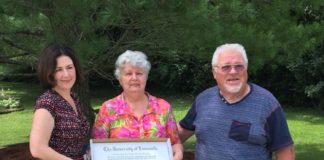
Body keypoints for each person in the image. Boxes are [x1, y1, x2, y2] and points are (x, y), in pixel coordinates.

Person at [177, 43, 295, 160]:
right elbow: (181, 132)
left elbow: (285, 151)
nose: (233, 71)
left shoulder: (267, 103)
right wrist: (161, 132)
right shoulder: (203, 100)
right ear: (214, 72)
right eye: (226, 67)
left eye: (239, 66)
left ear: (246, 69)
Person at [92, 50, 183, 160]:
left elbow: (175, 143)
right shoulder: (108, 108)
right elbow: (98, 148)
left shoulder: (163, 107)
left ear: (146, 77)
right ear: (120, 79)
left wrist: (178, 152)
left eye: (139, 73)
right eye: (128, 73)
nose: (134, 78)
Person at [29, 43, 90, 160]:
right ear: (49, 73)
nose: (66, 74)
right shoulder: (47, 103)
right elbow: (37, 149)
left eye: (69, 67)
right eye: (58, 69)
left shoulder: (73, 97)